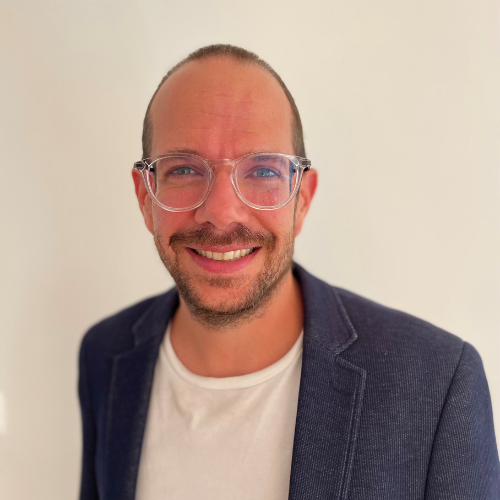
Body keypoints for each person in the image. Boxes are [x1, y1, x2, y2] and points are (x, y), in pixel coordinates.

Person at [78, 44, 500, 500]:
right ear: (146, 197)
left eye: (262, 171)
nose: (221, 212)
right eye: (183, 169)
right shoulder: (105, 355)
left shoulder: (436, 383)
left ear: (302, 199)